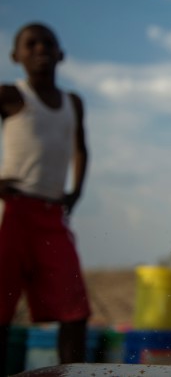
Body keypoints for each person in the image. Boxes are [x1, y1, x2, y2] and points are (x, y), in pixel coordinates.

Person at [0, 23, 90, 372]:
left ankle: (74, 373)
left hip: (52, 215)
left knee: (75, 311)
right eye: (31, 44)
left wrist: (76, 191)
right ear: (15, 56)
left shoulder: (73, 103)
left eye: (48, 43)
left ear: (60, 54)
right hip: (12, 213)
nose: (40, 49)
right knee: (2, 311)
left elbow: (81, 149)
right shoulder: (11, 95)